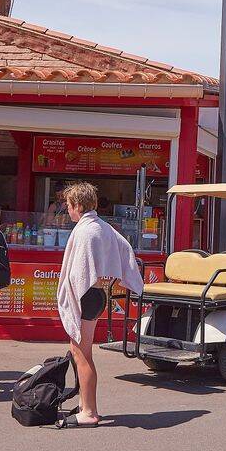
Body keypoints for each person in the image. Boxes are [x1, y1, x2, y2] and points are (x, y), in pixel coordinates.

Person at [55, 182, 143, 428]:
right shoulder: (102, 226)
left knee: (82, 354)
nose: (67, 210)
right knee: (79, 351)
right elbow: (125, 249)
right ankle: (84, 404)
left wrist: (76, 291)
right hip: (97, 295)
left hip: (87, 296)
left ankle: (90, 411)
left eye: (69, 205)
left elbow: (79, 273)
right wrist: (114, 276)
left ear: (78, 205)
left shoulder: (86, 231)